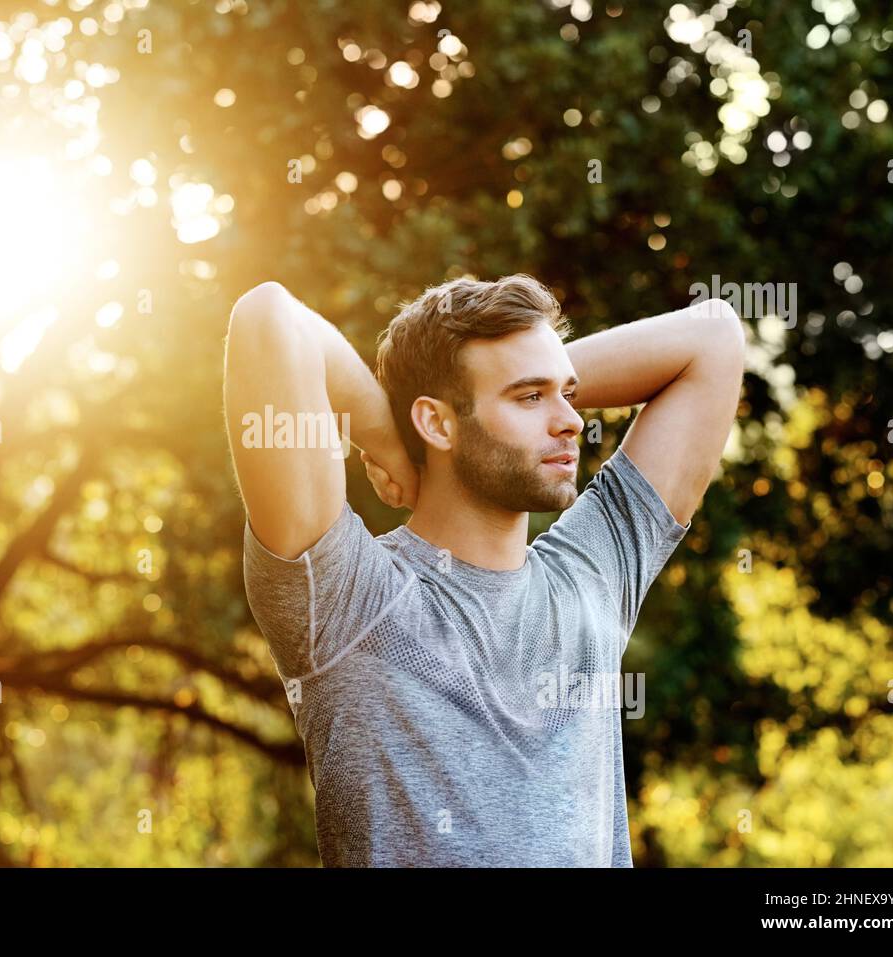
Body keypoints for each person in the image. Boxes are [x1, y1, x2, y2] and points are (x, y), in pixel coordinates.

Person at [222, 274, 745, 866]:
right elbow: (268, 319)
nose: (571, 420)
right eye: (530, 398)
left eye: (566, 393)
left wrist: (525, 374)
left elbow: (715, 338)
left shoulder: (591, 577)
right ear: (437, 423)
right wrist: (386, 436)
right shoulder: (347, 599)